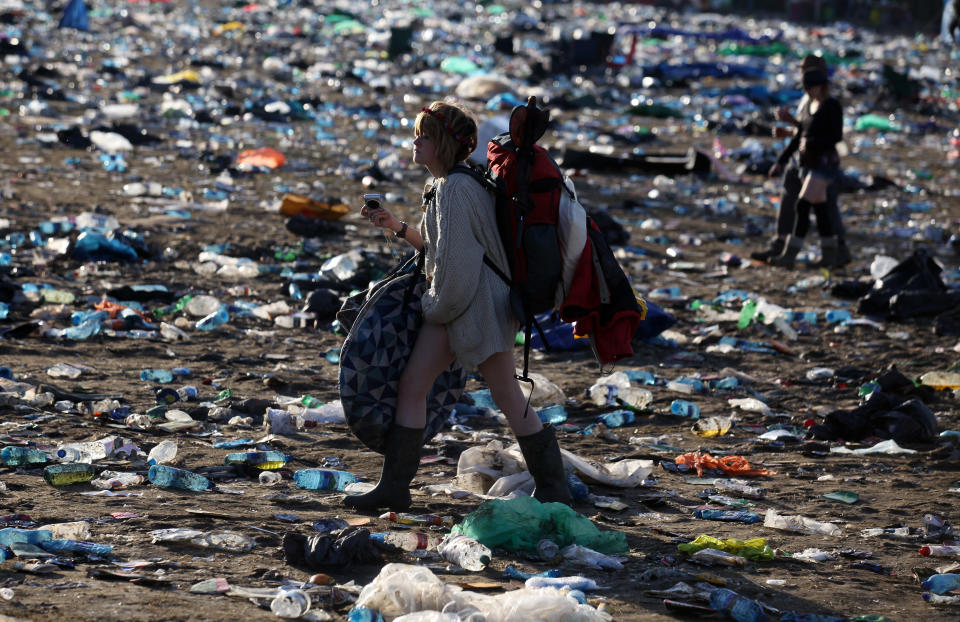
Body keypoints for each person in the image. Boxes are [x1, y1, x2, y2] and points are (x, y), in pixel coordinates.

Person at [346, 100, 572, 512]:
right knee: (504, 394)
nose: (416, 141)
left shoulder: (455, 190)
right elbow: (440, 249)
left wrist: (432, 309)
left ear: (444, 145)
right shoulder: (452, 184)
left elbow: (457, 269)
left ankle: (395, 488)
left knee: (420, 388)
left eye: (425, 136)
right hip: (484, 303)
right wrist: (397, 227)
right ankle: (554, 487)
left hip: (467, 305)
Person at [751, 55, 851, 269]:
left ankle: (792, 253)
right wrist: (783, 154)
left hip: (823, 163)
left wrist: (806, 139)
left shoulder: (830, 105)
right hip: (805, 161)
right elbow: (802, 132)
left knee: (805, 204)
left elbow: (830, 135)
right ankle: (826, 254)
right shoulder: (809, 103)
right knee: (815, 206)